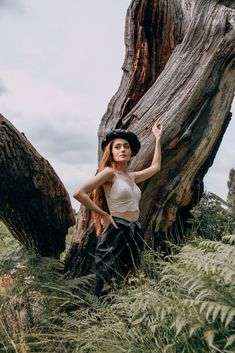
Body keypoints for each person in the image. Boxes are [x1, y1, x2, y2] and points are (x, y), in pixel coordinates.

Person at [73, 121, 163, 297]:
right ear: (111, 152)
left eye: (126, 147)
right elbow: (79, 193)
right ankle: (97, 316)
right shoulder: (109, 173)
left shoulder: (132, 176)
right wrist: (103, 214)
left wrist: (158, 138)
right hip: (116, 230)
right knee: (105, 276)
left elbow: (156, 168)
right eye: (118, 147)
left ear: (131, 152)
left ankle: (122, 315)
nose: (122, 150)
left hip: (135, 229)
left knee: (129, 275)